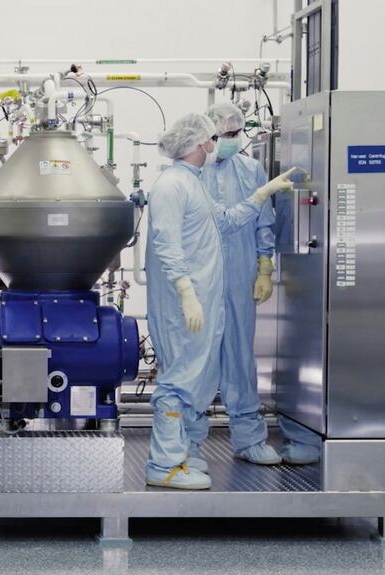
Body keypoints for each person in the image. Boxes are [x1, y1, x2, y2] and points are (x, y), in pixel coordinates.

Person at [145, 113, 294, 490]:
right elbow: (166, 243)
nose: (217, 144)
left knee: (193, 379)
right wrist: (185, 291)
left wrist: (261, 194)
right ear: (198, 144)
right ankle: (164, 464)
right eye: (212, 138)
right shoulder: (171, 186)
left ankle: (175, 459)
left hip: (201, 301)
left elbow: (226, 221)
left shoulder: (192, 183)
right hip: (184, 305)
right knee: (179, 380)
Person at [185, 103, 316, 467]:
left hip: (240, 276)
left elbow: (263, 223)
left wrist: (263, 266)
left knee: (241, 357)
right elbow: (220, 222)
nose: (228, 141)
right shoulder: (191, 172)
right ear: (206, 136)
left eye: (233, 134)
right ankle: (189, 444)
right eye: (221, 135)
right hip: (200, 279)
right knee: (198, 361)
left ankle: (249, 438)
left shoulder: (250, 168)